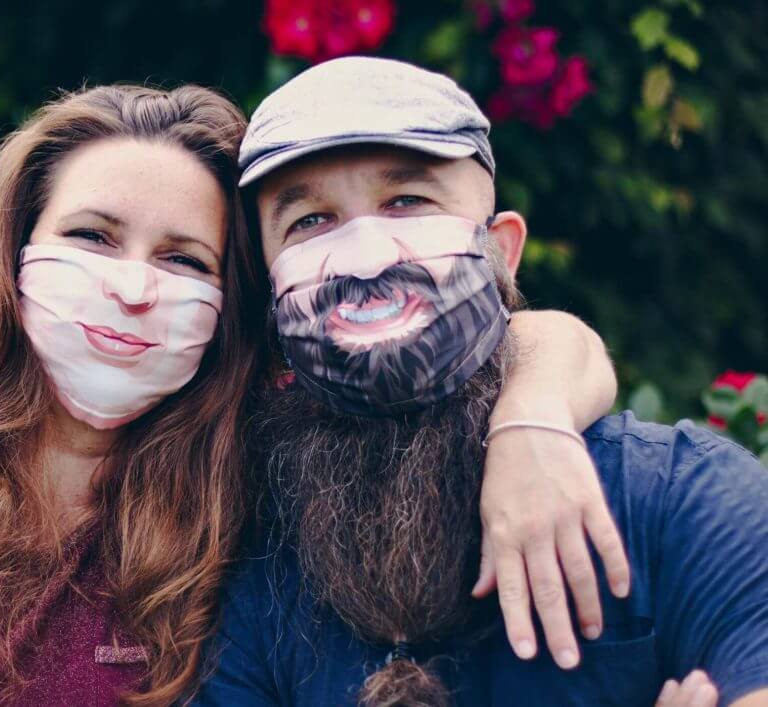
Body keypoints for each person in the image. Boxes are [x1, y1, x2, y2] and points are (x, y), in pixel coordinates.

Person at [0, 81, 617, 704]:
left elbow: (542, 336)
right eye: (93, 236)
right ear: (13, 256)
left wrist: (531, 423)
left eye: (183, 259)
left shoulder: (246, 496)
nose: (134, 286)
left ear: (233, 307)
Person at [194, 57, 768, 706]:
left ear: (503, 249)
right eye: (310, 221)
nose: (366, 252)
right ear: (270, 286)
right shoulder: (251, 564)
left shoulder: (677, 501)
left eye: (408, 201)